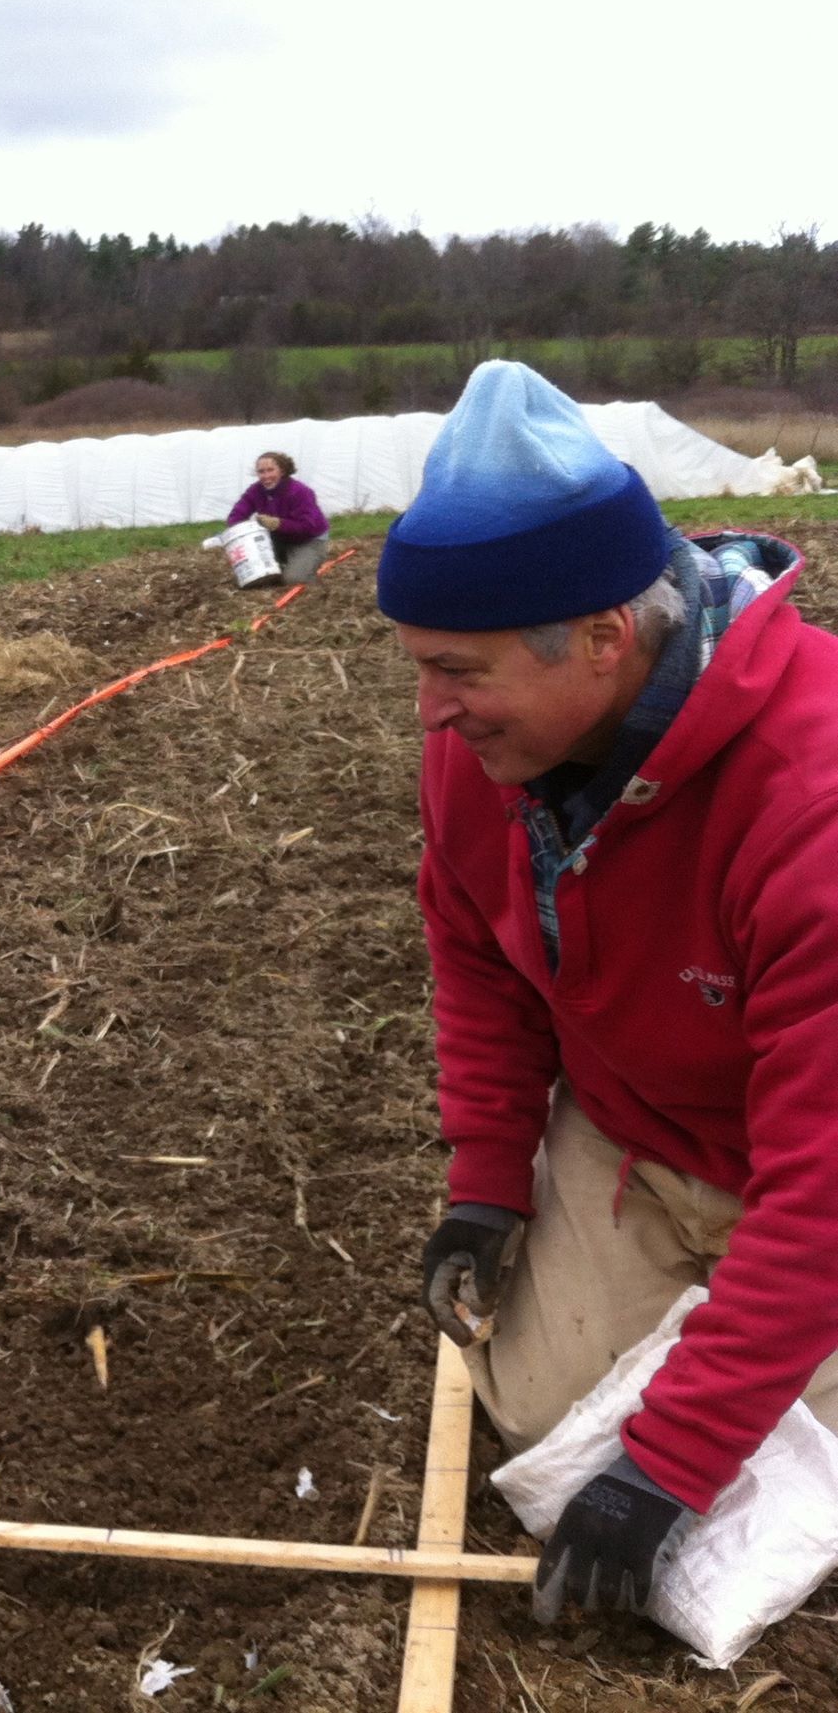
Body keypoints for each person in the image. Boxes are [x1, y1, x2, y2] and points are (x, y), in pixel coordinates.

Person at [382, 361, 838, 1630]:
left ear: (601, 636)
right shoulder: (483, 754)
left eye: (457, 671)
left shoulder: (809, 803)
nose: (428, 712)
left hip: (807, 1161)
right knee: (537, 1419)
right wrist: (483, 1178)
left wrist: (668, 1466)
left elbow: (822, 1179)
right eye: (417, 666)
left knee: (699, 1479)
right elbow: (475, 959)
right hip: (646, 1128)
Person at [228, 451, 331, 585]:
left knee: (294, 579)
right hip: (278, 538)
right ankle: (284, 565)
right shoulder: (256, 491)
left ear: (282, 471)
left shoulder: (300, 492)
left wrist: (278, 524)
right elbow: (235, 516)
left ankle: (308, 575)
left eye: (270, 470)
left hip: (309, 540)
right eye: (261, 472)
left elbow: (308, 526)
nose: (266, 476)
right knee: (252, 578)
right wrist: (244, 529)